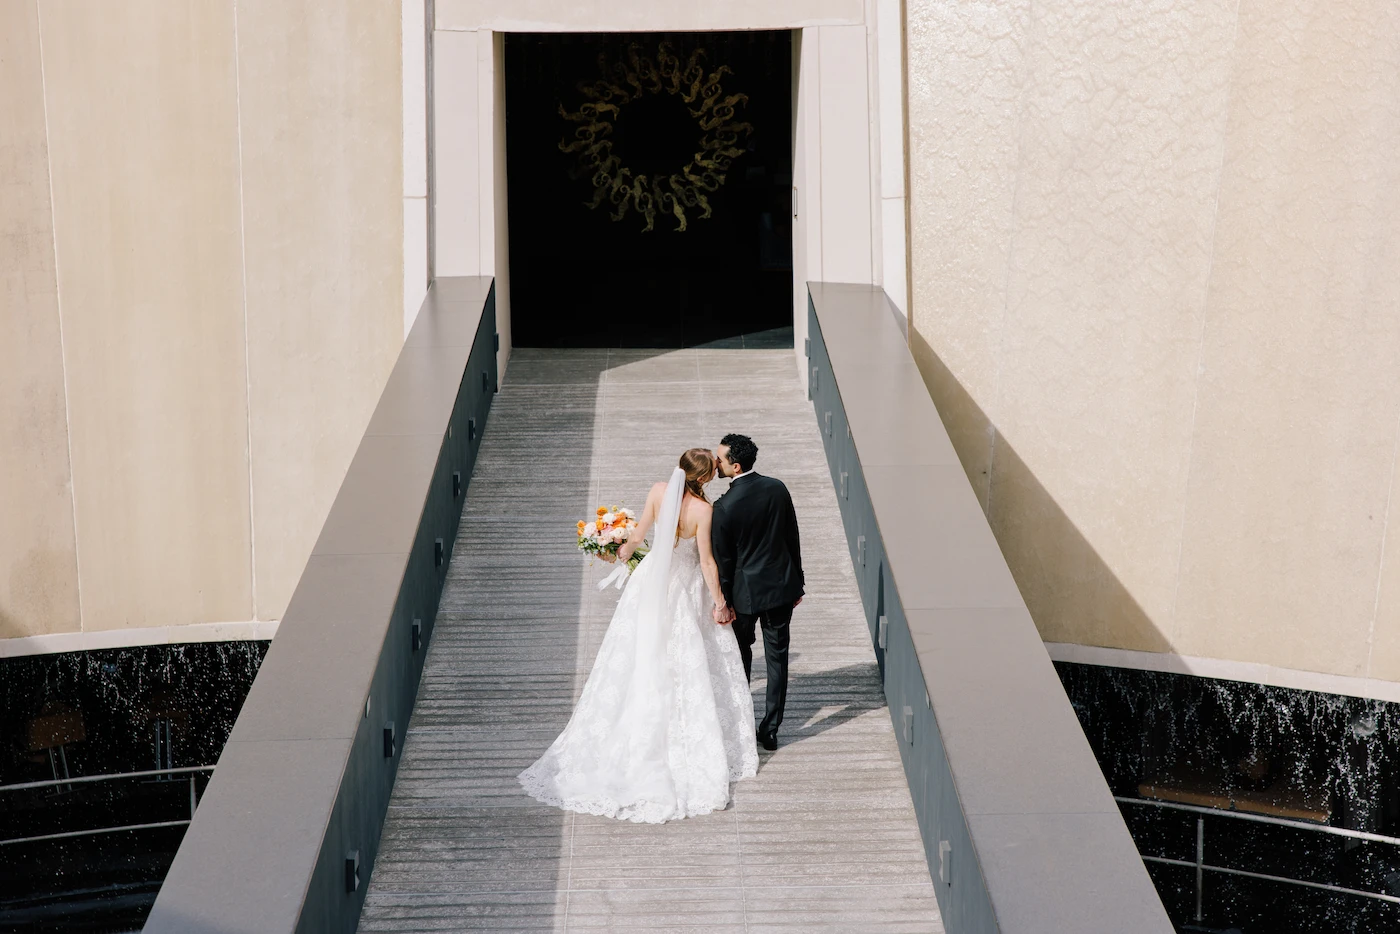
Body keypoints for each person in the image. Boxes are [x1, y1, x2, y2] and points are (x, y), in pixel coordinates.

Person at [518, 449, 757, 823]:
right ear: (706, 477)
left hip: (649, 584)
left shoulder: (659, 491)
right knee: (684, 656)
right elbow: (707, 562)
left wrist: (613, 546)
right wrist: (720, 603)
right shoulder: (702, 512)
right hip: (684, 588)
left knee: (640, 652)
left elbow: (637, 537)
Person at [710, 433, 804, 751]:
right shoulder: (777, 487)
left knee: (741, 657)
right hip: (780, 589)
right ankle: (771, 729)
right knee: (777, 660)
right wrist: (797, 582)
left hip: (744, 596)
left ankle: (742, 722)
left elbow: (724, 561)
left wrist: (722, 600)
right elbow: (792, 536)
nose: (715, 462)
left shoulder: (723, 507)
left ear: (735, 466)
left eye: (720, 458)